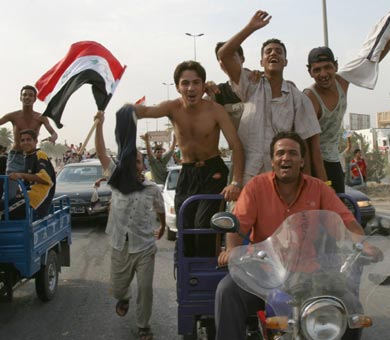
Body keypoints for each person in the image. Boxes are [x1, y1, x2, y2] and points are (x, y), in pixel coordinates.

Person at [215, 131, 375, 340]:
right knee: (227, 291)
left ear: (301, 161)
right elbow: (238, 227)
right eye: (280, 153)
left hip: (310, 274)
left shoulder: (318, 189)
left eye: (292, 153)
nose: (286, 157)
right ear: (272, 161)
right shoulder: (256, 187)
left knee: (350, 307)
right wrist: (233, 251)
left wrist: (362, 244)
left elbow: (346, 223)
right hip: (265, 272)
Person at [134, 60, 244, 256]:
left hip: (213, 171)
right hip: (187, 172)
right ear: (178, 87)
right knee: (184, 225)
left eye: (196, 82)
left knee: (204, 226)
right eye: (185, 83)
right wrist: (127, 111)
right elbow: (147, 111)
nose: (191, 88)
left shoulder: (215, 110)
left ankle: (208, 273)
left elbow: (236, 145)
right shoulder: (172, 108)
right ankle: (187, 277)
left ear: (203, 86)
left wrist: (236, 181)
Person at [217, 10, 326, 185]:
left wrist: (309, 187)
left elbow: (304, 147)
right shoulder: (250, 85)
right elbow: (224, 54)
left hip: (282, 180)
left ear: (286, 61)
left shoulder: (298, 99)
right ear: (261, 62)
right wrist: (251, 27)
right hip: (246, 177)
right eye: (268, 52)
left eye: (278, 52)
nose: (273, 54)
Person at [304, 10, 390, 193]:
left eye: (328, 67)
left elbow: (373, 58)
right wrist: (323, 181)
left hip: (333, 160)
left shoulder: (342, 82)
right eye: (317, 70)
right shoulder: (311, 98)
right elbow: (312, 144)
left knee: (338, 211)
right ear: (310, 72)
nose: (323, 74)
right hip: (313, 163)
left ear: (336, 66)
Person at [95, 109, 166, 340]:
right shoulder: (116, 180)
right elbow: (101, 153)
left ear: (141, 165)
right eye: (130, 159)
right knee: (117, 288)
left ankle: (143, 326)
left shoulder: (152, 189)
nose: (133, 162)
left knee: (145, 289)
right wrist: (99, 125)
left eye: (137, 160)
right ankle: (123, 297)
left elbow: (160, 209)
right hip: (119, 245)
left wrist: (163, 226)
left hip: (145, 246)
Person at [0, 85, 58, 199]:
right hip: (16, 157)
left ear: (35, 99)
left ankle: (32, 214)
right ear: (20, 98)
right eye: (24, 95)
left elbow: (53, 132)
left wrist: (53, 138)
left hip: (33, 158)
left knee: (33, 191)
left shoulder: (41, 117)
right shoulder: (13, 116)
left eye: (30, 95)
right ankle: (6, 214)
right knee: (9, 193)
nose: (27, 97)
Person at [0, 129, 55, 220]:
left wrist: (21, 175)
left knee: (2, 210)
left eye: (28, 139)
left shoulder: (40, 154)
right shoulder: (28, 157)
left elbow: (46, 179)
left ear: (36, 141)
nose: (25, 142)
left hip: (35, 201)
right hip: (26, 197)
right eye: (22, 140)